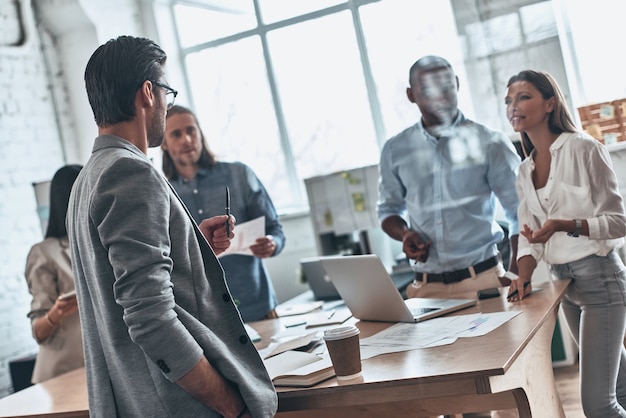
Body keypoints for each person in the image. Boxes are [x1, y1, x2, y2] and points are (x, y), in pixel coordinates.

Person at [66, 35, 277, 418]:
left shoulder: (87, 179)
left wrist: (192, 249)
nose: (168, 103)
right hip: (180, 405)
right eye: (167, 91)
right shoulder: (129, 172)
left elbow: (121, 289)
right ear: (148, 92)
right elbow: (150, 318)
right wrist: (232, 407)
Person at [505, 69, 626, 417]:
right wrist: (523, 275)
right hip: (564, 285)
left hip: (601, 280)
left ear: (549, 104)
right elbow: (529, 237)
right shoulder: (524, 170)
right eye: (508, 100)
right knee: (621, 388)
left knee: (598, 406)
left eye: (523, 96)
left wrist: (566, 224)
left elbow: (619, 222)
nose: (514, 105)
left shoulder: (585, 148)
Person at [377, 55, 521, 302]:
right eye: (428, 90)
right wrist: (404, 234)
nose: (440, 97)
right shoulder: (395, 150)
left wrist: (516, 274)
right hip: (426, 289)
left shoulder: (491, 143)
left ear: (456, 83)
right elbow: (388, 210)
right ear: (411, 95)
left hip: (485, 280)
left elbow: (521, 213)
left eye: (446, 86)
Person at [162, 105, 285, 322]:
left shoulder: (239, 174)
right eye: (176, 134)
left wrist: (272, 244)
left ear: (200, 133)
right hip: (209, 318)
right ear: (164, 143)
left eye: (191, 130)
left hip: (259, 306)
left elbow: (276, 230)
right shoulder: (164, 195)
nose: (187, 140)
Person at [24, 164, 84, 383]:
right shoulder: (44, 253)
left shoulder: (104, 246)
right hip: (63, 374)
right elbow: (38, 332)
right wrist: (57, 312)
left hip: (103, 370)